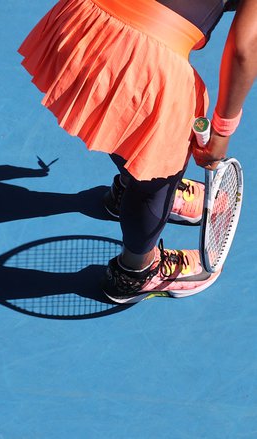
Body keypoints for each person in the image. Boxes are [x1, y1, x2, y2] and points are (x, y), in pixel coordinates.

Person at [18, 0, 257, 303]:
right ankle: (135, 272)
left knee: (125, 116)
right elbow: (244, 50)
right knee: (156, 177)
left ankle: (130, 188)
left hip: (85, 22)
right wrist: (222, 130)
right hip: (147, 56)